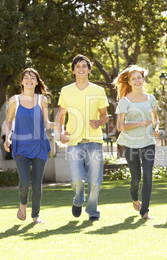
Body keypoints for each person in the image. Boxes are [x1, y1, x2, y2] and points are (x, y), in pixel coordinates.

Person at [56, 54, 109, 221]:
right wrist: (61, 132)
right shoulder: (66, 91)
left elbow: (105, 116)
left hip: (94, 141)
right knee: (77, 179)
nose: (81, 69)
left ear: (89, 70)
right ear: (73, 71)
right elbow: (61, 114)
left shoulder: (98, 91)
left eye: (84, 66)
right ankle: (78, 199)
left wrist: (99, 121)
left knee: (95, 181)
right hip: (73, 141)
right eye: (77, 66)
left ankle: (92, 211)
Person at [4, 68, 60, 224]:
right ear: (21, 82)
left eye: (32, 78)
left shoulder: (42, 100)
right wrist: (7, 138)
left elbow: (46, 122)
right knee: (24, 182)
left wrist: (56, 126)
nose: (29, 80)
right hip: (20, 145)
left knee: (36, 184)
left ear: (37, 81)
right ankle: (23, 203)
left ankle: (35, 215)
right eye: (26, 78)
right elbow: (9, 121)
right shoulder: (14, 100)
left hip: (39, 145)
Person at [114, 65, 161, 220]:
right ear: (129, 81)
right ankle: (134, 197)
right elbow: (120, 127)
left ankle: (145, 211)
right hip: (130, 143)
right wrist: (139, 123)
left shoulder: (150, 98)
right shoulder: (124, 101)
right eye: (133, 78)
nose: (137, 81)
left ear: (143, 79)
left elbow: (156, 120)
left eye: (139, 77)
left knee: (148, 175)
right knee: (136, 178)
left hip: (148, 141)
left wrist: (156, 128)